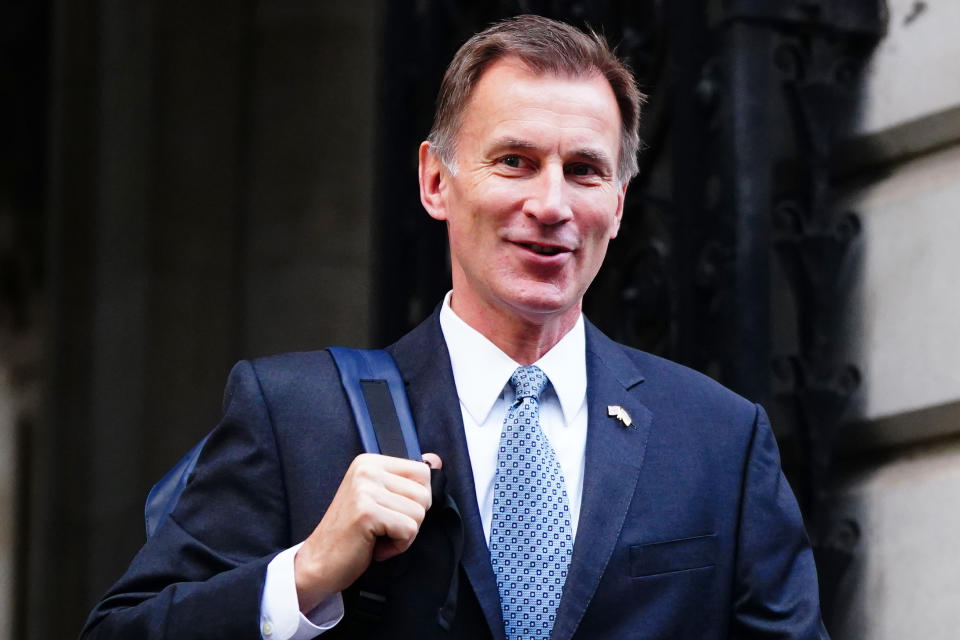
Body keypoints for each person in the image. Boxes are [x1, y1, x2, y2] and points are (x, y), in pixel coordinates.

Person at [81, 14, 828, 640]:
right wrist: (303, 576)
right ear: (436, 181)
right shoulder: (295, 416)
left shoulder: (719, 440)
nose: (551, 204)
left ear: (621, 201)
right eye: (514, 160)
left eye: (585, 171)